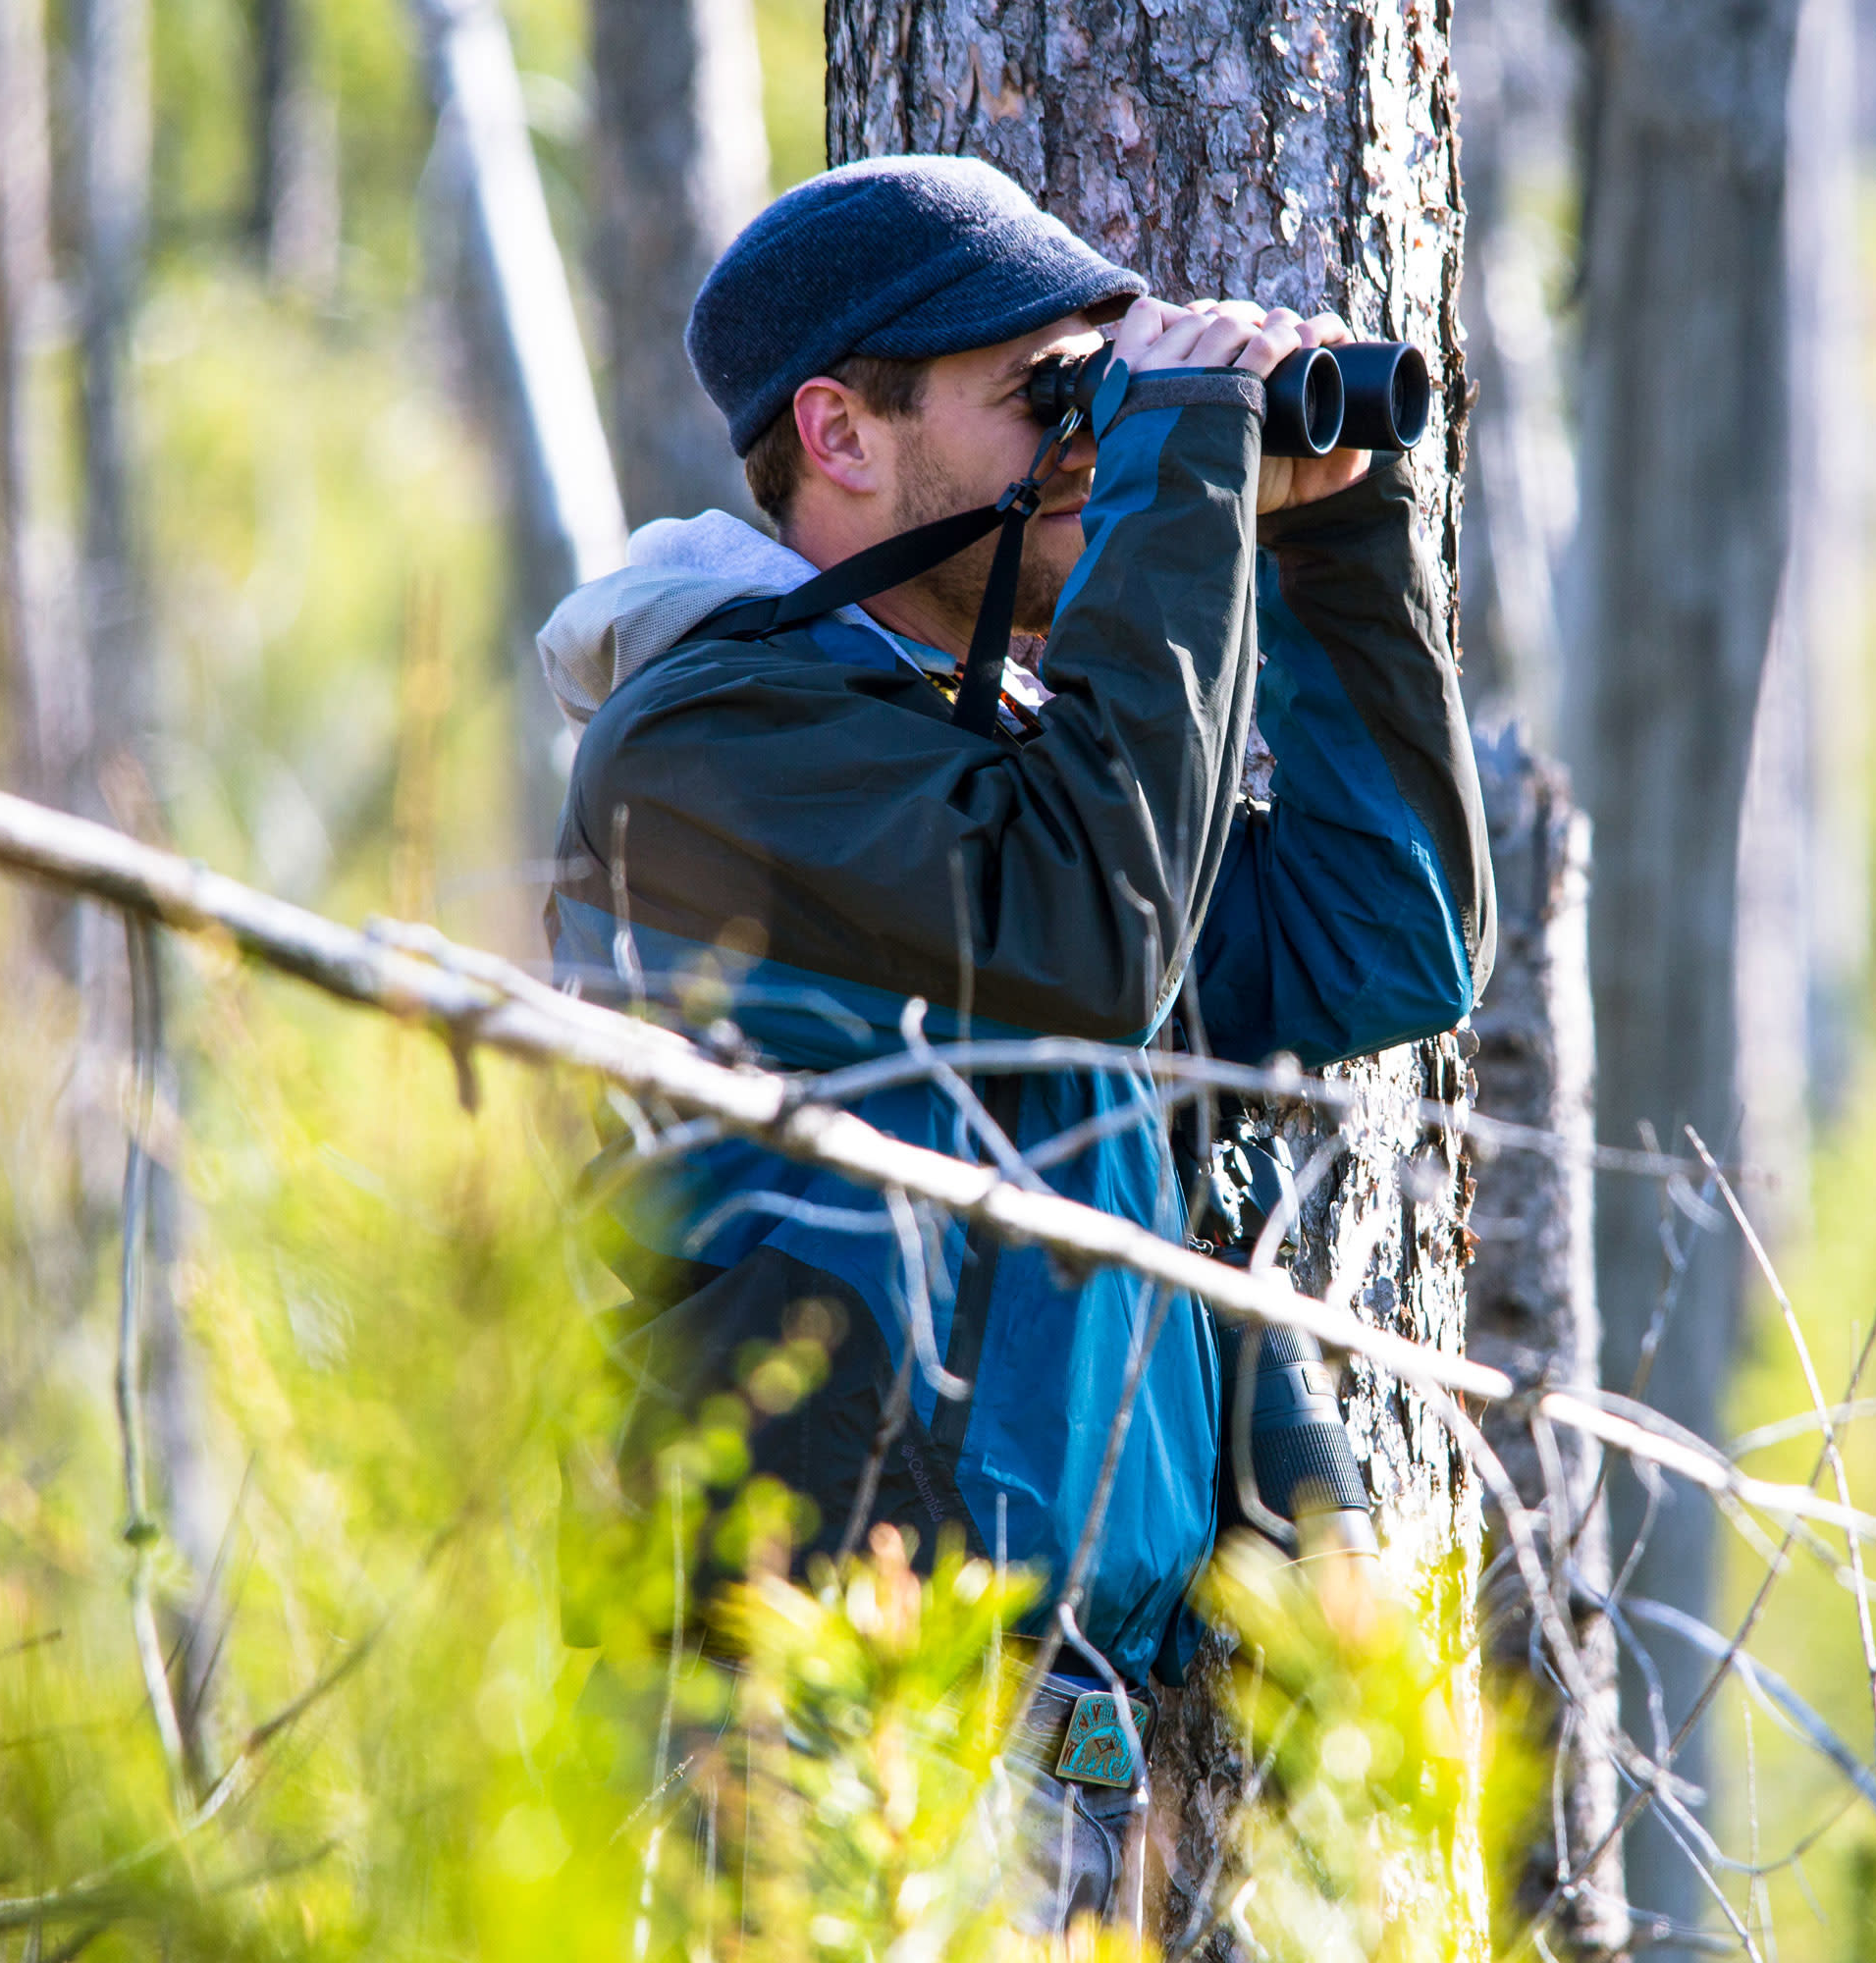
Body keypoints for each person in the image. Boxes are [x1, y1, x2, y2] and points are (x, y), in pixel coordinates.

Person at [533, 154, 1492, 1926]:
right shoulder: (710, 741)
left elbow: (1389, 941)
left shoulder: (1022, 771)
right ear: (839, 434)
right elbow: (1094, 931)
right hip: (825, 1712)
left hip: (1066, 1745)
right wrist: (1179, 463)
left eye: (1100, 400)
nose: (1084, 451)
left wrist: (1331, 540)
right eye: (1047, 398)